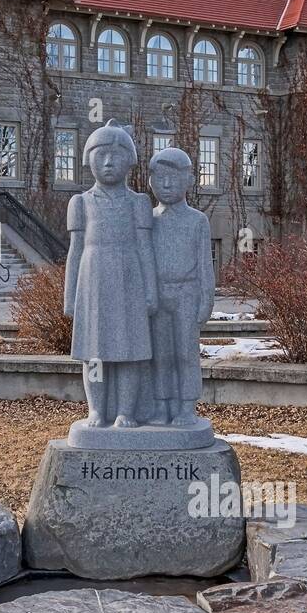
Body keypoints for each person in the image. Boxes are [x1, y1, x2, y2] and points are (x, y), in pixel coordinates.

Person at [63, 120, 157, 427]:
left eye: (116, 156)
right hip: (93, 279)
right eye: (101, 155)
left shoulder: (139, 203)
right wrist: (70, 296)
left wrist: (150, 291)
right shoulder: (80, 202)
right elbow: (75, 250)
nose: (108, 162)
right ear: (88, 159)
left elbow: (145, 249)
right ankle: (97, 409)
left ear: (129, 160)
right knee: (93, 352)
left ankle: (125, 411)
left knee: (129, 350)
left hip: (129, 277)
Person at [144, 146, 214, 427]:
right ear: (150, 182)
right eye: (160, 178)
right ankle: (161, 405)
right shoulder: (147, 220)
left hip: (187, 293)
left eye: (174, 177)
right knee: (160, 354)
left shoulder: (197, 221)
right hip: (158, 294)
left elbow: (205, 265)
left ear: (189, 180)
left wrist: (206, 300)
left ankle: (187, 406)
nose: (167, 184)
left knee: (185, 352)